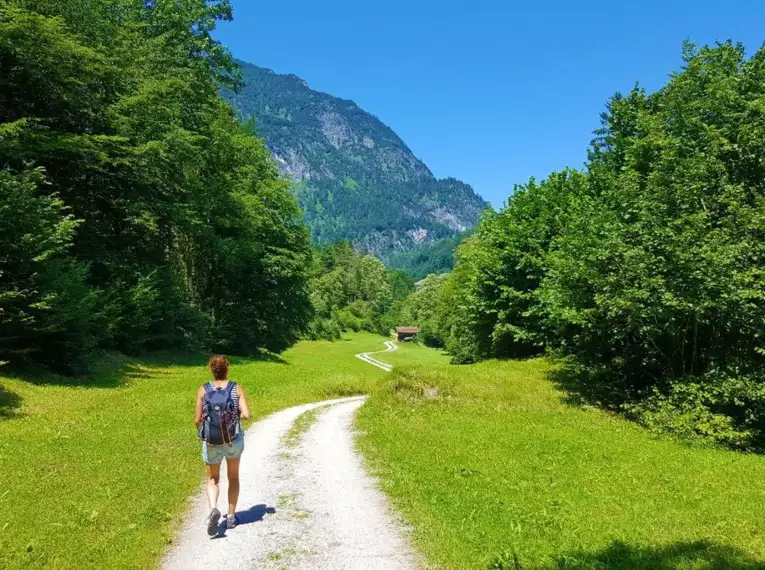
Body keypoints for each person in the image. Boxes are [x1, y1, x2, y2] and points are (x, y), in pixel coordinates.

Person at [195, 355, 251, 536]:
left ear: (212, 369)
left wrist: (204, 432)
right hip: (233, 440)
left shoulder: (203, 390)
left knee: (213, 479)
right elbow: (247, 414)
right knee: (233, 476)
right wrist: (237, 416)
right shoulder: (236, 388)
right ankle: (231, 517)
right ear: (227, 369)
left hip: (212, 441)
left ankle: (213, 509)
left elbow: (197, 419)